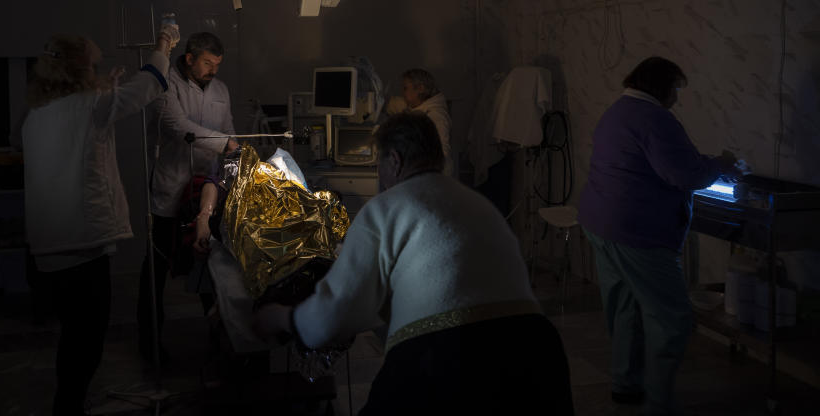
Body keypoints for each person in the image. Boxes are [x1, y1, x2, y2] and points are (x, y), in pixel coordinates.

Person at [253, 112, 574, 414]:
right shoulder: (478, 204)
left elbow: (333, 316)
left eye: (380, 163)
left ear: (395, 160)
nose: (380, 173)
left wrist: (282, 317)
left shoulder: (385, 208)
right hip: (538, 350)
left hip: (447, 355)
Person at [22, 23, 179, 416]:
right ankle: (68, 407)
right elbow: (150, 83)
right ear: (79, 69)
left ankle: (69, 402)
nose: (96, 71)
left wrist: (106, 91)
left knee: (72, 337)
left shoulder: (36, 116)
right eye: (92, 65)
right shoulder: (91, 105)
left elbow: (83, 128)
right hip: (81, 245)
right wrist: (164, 43)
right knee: (85, 342)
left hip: (46, 247)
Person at [577, 56, 740, 415]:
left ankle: (625, 384)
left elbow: (662, 161)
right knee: (672, 318)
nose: (677, 99)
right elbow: (683, 174)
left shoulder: (618, 111)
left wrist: (705, 163)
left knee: (624, 307)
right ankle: (659, 401)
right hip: (636, 231)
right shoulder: (655, 118)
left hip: (600, 222)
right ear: (661, 85)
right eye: (676, 90)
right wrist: (721, 165)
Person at [137, 31, 238, 362]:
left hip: (207, 191)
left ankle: (220, 336)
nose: (214, 70)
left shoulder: (220, 90)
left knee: (213, 265)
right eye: (208, 63)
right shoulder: (165, 83)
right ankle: (149, 341)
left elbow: (231, 135)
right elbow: (180, 128)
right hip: (171, 190)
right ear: (190, 58)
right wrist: (225, 144)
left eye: (218, 64)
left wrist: (236, 162)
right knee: (156, 269)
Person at [399, 68, 453, 176]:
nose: (403, 92)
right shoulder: (420, 109)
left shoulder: (435, 116)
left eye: (405, 88)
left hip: (434, 178)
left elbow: (440, 153)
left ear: (420, 88)